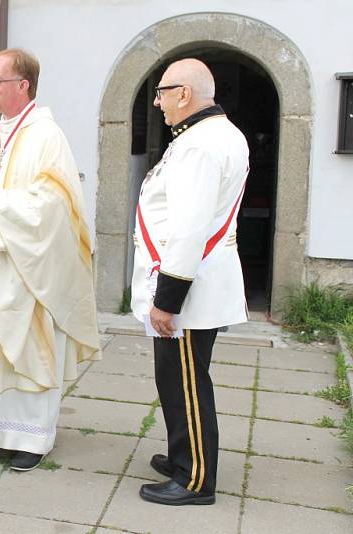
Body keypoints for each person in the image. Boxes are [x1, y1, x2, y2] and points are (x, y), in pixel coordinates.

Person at [0, 48, 101, 472]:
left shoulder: (46, 136)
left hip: (28, 268)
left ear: (24, 86)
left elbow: (54, 204)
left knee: (28, 351)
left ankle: (32, 438)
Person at [131, 58, 249, 505]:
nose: (157, 101)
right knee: (177, 378)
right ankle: (184, 454)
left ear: (184, 93)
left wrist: (167, 300)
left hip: (188, 286)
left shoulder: (199, 145)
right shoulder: (211, 136)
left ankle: (195, 478)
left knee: (186, 381)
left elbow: (188, 228)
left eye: (161, 92)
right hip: (196, 279)